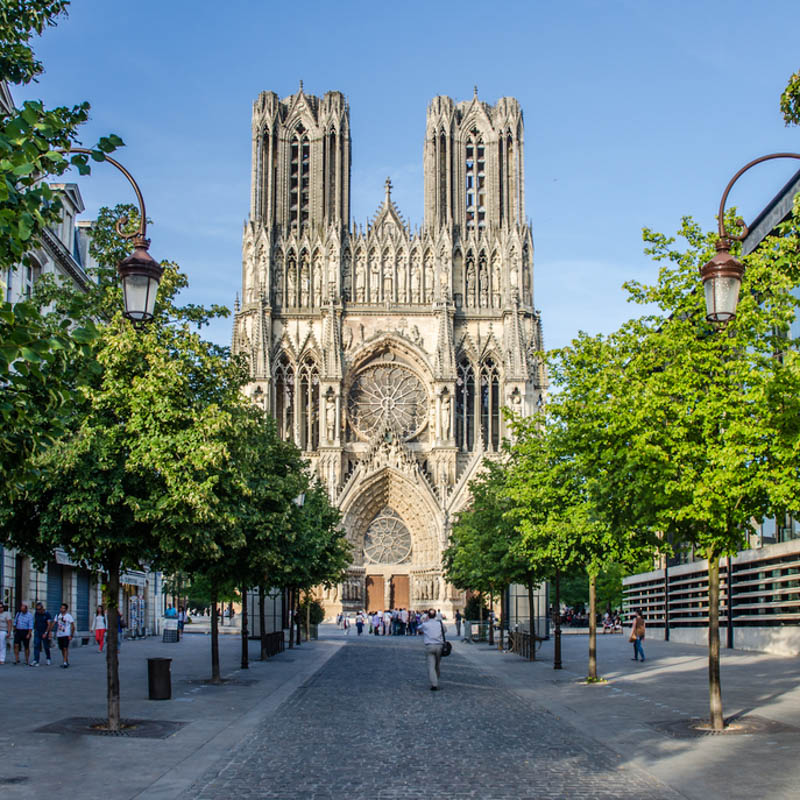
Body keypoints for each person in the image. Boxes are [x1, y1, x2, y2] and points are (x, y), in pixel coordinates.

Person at [420, 608, 446, 691]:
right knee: (437, 665)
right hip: (439, 646)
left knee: (431, 666)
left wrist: (425, 621)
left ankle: (434, 684)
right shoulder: (440, 624)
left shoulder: (425, 625)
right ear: (435, 615)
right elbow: (445, 630)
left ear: (428, 615)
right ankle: (436, 679)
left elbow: (419, 628)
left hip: (430, 646)